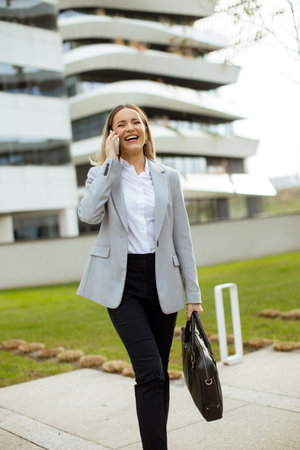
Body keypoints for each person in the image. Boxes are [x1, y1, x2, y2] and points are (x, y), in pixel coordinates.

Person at [77, 104, 203, 450]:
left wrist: (193, 295)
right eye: (121, 124)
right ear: (112, 134)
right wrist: (110, 164)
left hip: (162, 282)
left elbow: (182, 238)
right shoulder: (101, 174)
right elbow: (87, 214)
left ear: (145, 130)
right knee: (149, 370)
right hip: (122, 285)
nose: (130, 127)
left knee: (159, 374)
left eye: (136, 121)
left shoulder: (168, 176)